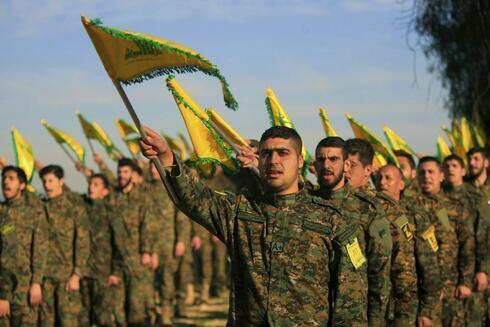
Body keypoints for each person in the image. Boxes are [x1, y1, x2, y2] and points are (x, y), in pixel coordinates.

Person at [140, 125, 356, 325]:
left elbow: (351, 301)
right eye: (266, 153)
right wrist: (166, 156)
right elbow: (194, 199)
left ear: (300, 160)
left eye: (283, 153)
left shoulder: (331, 220)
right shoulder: (240, 211)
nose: (273, 161)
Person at [312, 137, 392, 326]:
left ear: (346, 165)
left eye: (333, 159)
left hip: (350, 318)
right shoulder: (305, 203)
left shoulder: (368, 210)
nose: (327, 165)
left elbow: (379, 271)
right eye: (321, 160)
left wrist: (376, 321)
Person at [376, 164, 442, 326]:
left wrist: (427, 310)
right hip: (377, 305)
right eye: (379, 178)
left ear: (401, 184)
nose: (382, 182)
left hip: (406, 306)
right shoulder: (370, 214)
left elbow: (429, 265)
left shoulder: (414, 216)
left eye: (388, 178)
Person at [416, 156, 475, 326]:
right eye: (422, 173)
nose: (426, 176)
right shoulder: (408, 207)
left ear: (441, 176)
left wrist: (465, 281)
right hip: (423, 291)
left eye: (431, 172)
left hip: (451, 288)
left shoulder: (455, 208)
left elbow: (467, 245)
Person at [38, 165, 90, 327]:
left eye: (51, 181)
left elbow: (82, 243)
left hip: (66, 278)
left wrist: (76, 274)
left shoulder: (74, 207)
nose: (47, 185)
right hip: (44, 278)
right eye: (44, 181)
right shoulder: (40, 207)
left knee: (68, 322)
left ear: (61, 181)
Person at [442, 154, 490, 326]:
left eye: (454, 165)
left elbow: (483, 236)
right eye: (446, 166)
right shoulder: (439, 198)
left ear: (463, 170)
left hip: (473, 269)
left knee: (472, 318)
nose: (450, 169)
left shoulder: (475, 198)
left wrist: (482, 270)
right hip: (449, 272)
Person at [111, 158, 159, 326]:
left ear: (133, 174)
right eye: (119, 172)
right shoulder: (114, 197)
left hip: (138, 258)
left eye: (125, 172)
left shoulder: (143, 197)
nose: (121, 175)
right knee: (118, 306)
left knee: (136, 305)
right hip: (117, 259)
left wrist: (147, 251)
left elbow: (148, 225)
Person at [0, 166, 48, 326]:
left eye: (11, 178)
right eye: (4, 178)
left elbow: (39, 250)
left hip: (24, 288)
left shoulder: (34, 213)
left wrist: (36, 283)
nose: (5, 181)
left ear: (22, 186)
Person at [79, 173, 127, 327]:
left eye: (95, 185)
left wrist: (116, 272)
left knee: (103, 317)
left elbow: (120, 244)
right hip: (84, 272)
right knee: (84, 316)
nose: (90, 187)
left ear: (105, 191)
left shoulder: (111, 213)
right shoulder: (82, 209)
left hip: (104, 273)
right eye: (90, 183)